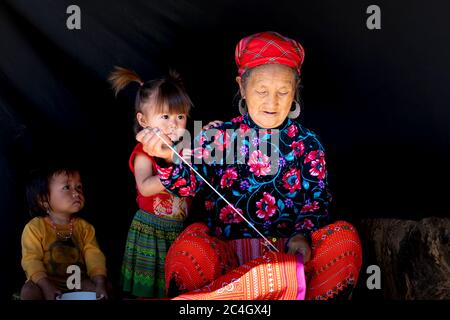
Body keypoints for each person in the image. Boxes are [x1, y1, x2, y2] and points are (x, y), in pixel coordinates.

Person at [138, 31, 362, 300]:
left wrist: (301, 236)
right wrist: (165, 158)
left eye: (283, 91)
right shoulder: (218, 136)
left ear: (295, 90)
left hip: (292, 260)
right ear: (242, 87)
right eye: (262, 91)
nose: (272, 102)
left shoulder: (308, 143)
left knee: (344, 240)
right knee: (191, 249)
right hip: (230, 261)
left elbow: (317, 201)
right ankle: (242, 293)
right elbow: (186, 184)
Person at [109, 68, 200, 298]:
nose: (174, 124)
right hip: (152, 230)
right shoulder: (144, 153)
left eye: (180, 116)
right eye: (165, 116)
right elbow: (145, 186)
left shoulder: (185, 149)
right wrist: (174, 174)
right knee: (148, 291)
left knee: (175, 289)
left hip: (178, 231)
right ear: (143, 120)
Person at [20, 167, 109, 300]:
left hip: (77, 283)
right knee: (28, 291)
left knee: (103, 290)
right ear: (43, 200)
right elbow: (31, 260)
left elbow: (94, 257)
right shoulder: (35, 227)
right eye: (67, 187)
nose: (76, 193)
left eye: (79, 187)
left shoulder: (85, 228)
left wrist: (100, 282)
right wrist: (46, 286)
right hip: (45, 283)